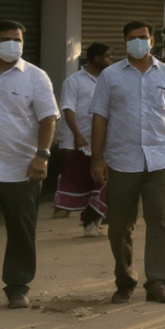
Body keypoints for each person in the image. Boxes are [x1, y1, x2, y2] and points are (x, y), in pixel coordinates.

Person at [90, 20, 165, 304]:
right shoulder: (110, 77)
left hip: (160, 160)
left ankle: (157, 283)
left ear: (151, 41)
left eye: (144, 37)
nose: (139, 42)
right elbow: (99, 118)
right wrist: (97, 159)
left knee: (158, 223)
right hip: (122, 161)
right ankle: (124, 281)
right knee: (120, 226)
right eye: (133, 38)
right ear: (125, 42)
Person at [0, 20, 59, 309]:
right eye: (6, 39)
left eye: (17, 40)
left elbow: (48, 118)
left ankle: (17, 287)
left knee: (21, 232)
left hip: (23, 169)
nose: (12, 45)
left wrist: (42, 155)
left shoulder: (36, 77)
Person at [55, 42, 113, 238]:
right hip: (82, 143)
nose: (110, 60)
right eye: (106, 56)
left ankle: (94, 221)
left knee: (103, 183)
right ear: (95, 58)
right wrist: (77, 136)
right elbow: (68, 109)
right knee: (87, 182)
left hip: (105, 142)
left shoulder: (109, 79)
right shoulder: (74, 81)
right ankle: (88, 222)